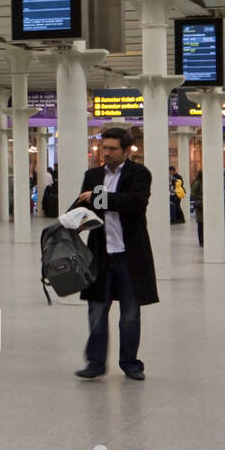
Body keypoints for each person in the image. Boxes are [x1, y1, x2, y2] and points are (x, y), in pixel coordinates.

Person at [71, 127, 157, 381]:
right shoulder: (93, 175)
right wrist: (68, 223)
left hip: (130, 255)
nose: (105, 153)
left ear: (126, 150)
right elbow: (82, 206)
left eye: (112, 149)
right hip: (99, 255)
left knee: (130, 314)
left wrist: (99, 198)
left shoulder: (139, 174)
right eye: (103, 148)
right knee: (96, 310)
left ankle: (130, 362)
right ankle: (95, 363)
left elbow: (135, 203)